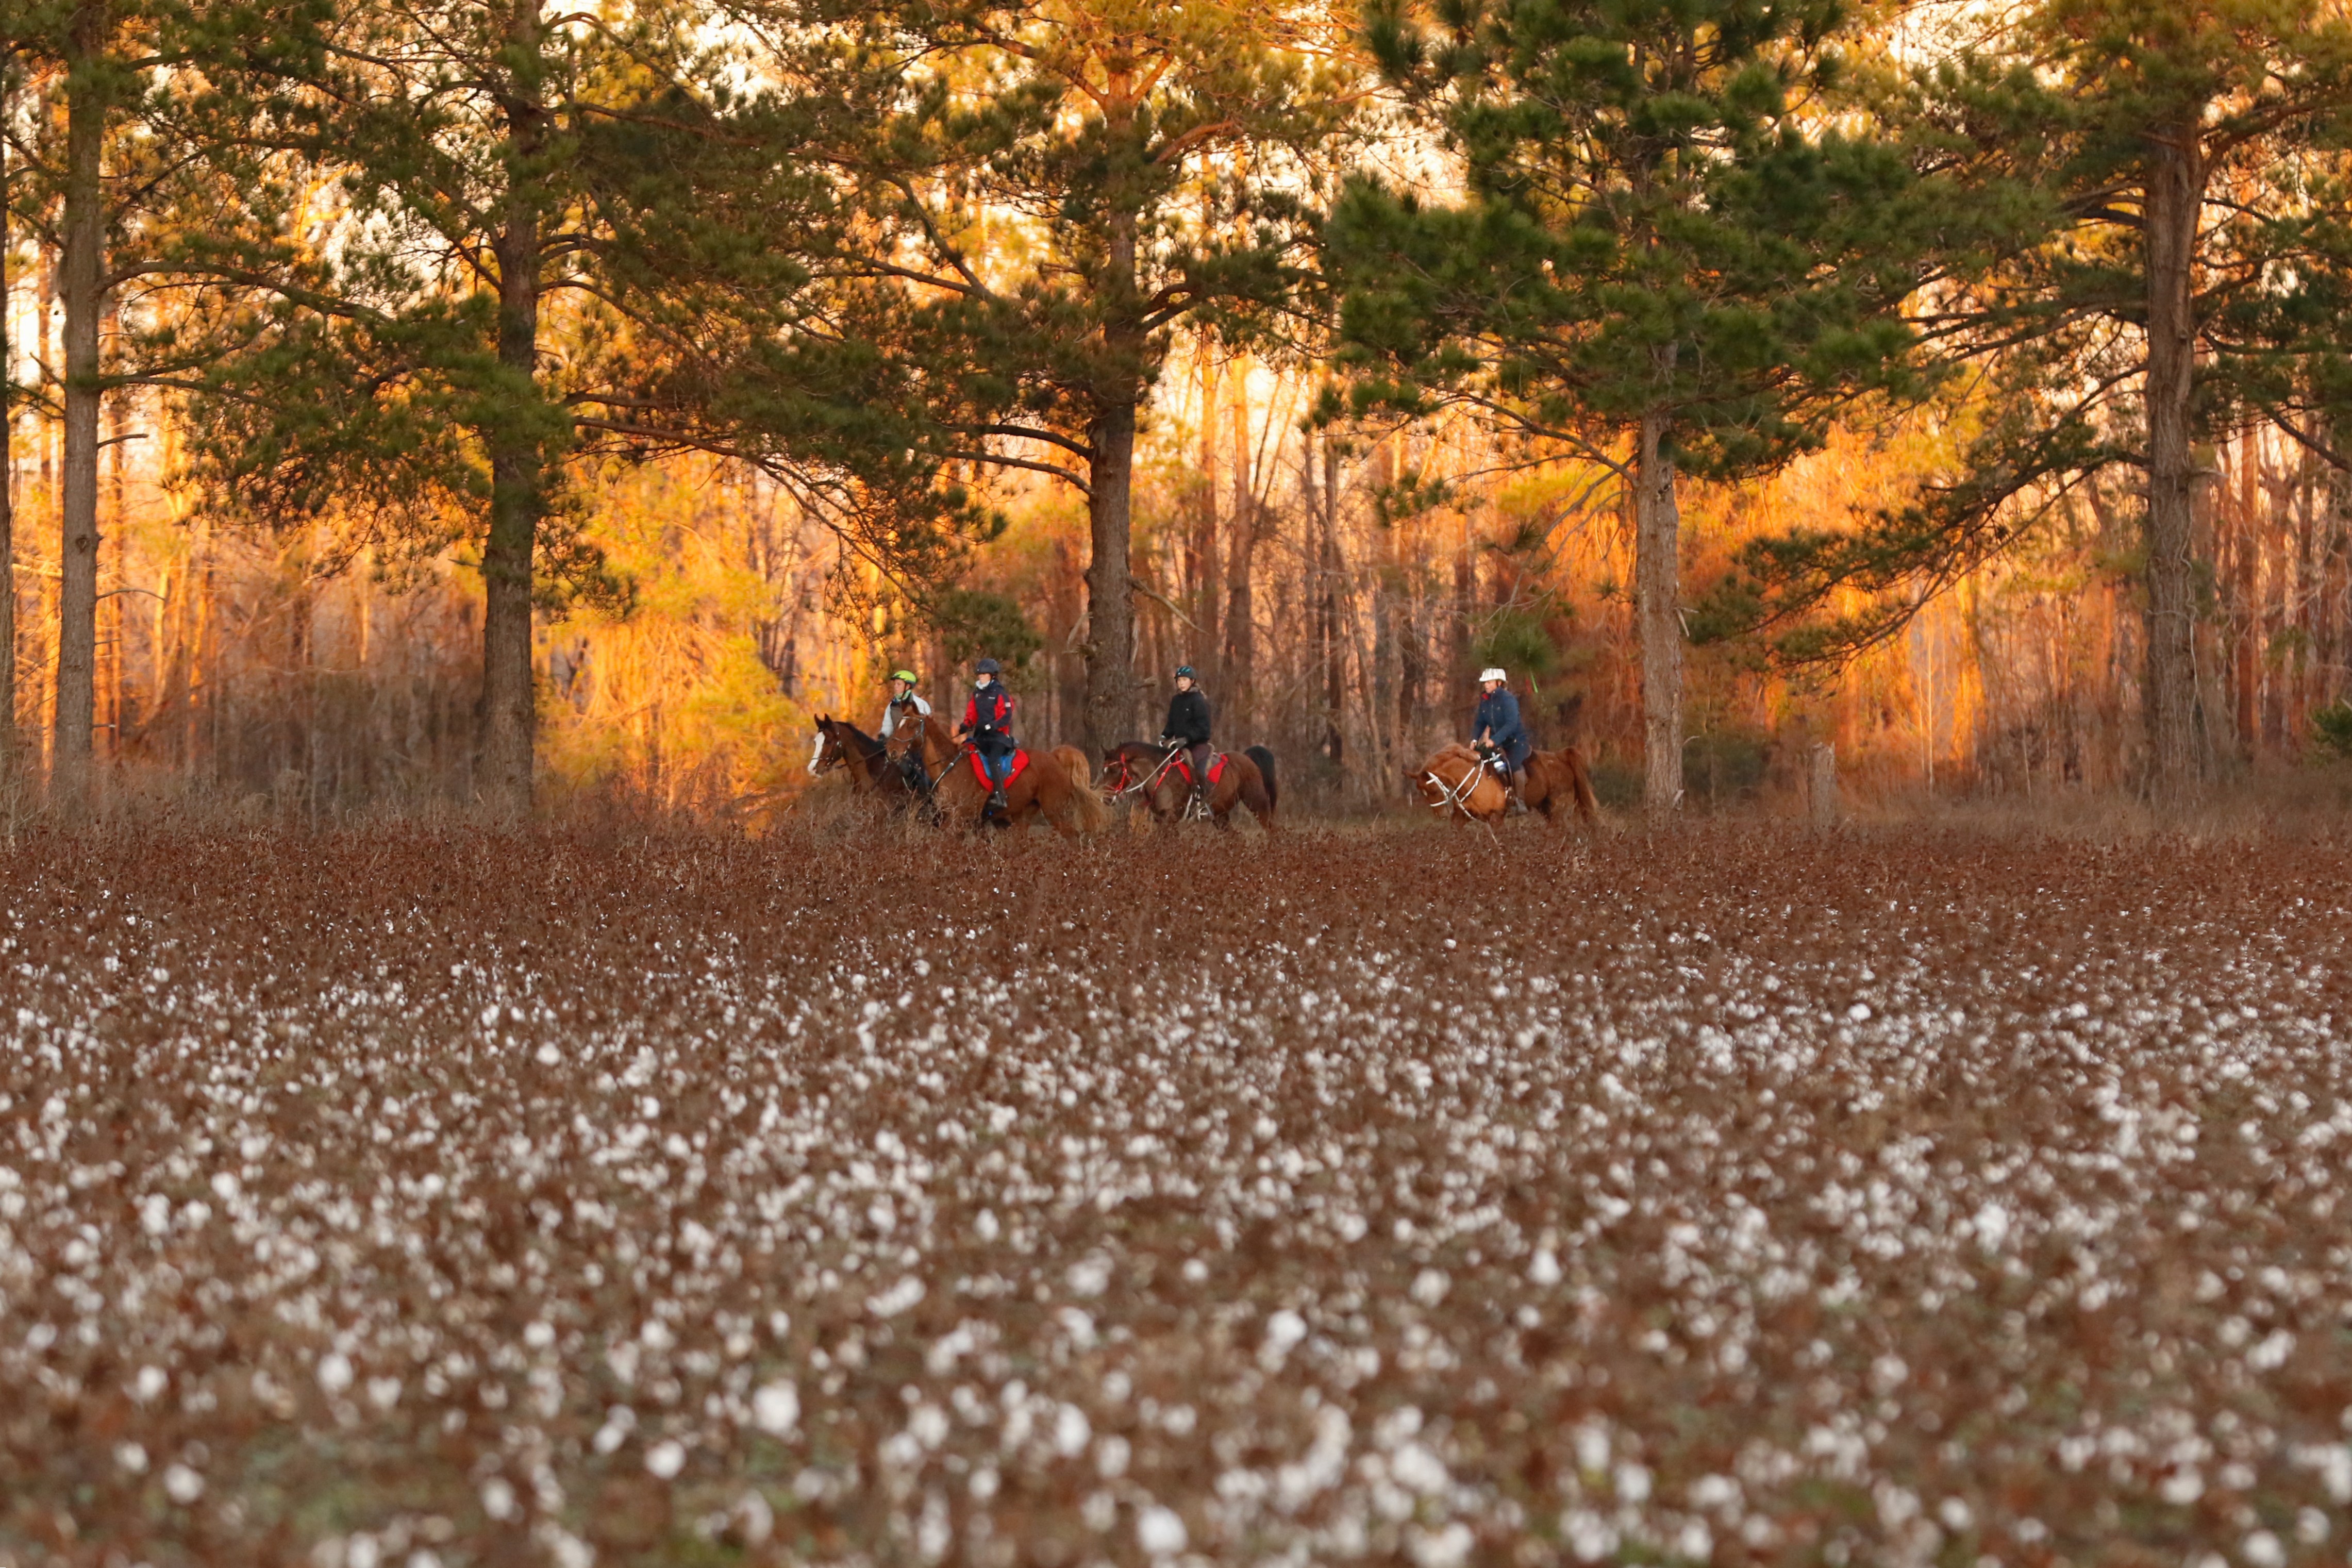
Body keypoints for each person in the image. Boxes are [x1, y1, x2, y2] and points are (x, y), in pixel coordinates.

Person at [957, 657, 1017, 815]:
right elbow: (972, 714)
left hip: (998, 738)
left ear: (993, 676)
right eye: (979, 675)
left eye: (984, 674)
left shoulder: (1000, 694)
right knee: (966, 756)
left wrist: (992, 726)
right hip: (981, 737)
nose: (981, 677)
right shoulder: (977, 694)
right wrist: (966, 724)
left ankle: (1000, 795)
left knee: (992, 759)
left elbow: (1007, 717)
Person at [1472, 666, 1530, 814]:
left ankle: (1520, 802)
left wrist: (1494, 740)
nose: (1486, 685)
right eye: (1485, 682)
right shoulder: (1485, 701)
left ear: (1499, 683)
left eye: (1489, 682)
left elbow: (1512, 724)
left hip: (1516, 742)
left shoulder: (1508, 700)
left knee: (1514, 765)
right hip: (1498, 742)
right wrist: (1474, 739)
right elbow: (1480, 723)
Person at [1158, 664, 1213, 816]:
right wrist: (1165, 736)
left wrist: (1187, 738)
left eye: (1184, 680)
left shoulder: (1199, 701)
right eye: (1179, 680)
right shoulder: (1176, 701)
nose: (1181, 683)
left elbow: (1204, 729)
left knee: (1198, 770)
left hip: (1197, 745)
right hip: (1179, 745)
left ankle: (1203, 805)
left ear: (1192, 681)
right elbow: (1171, 724)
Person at [878, 669, 931, 789]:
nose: (895, 687)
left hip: (917, 749)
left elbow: (927, 727)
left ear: (908, 686)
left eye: (899, 684)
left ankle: (925, 797)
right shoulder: (891, 707)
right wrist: (883, 736)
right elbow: (887, 726)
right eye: (895, 684)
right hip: (897, 747)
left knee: (924, 774)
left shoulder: (920, 704)